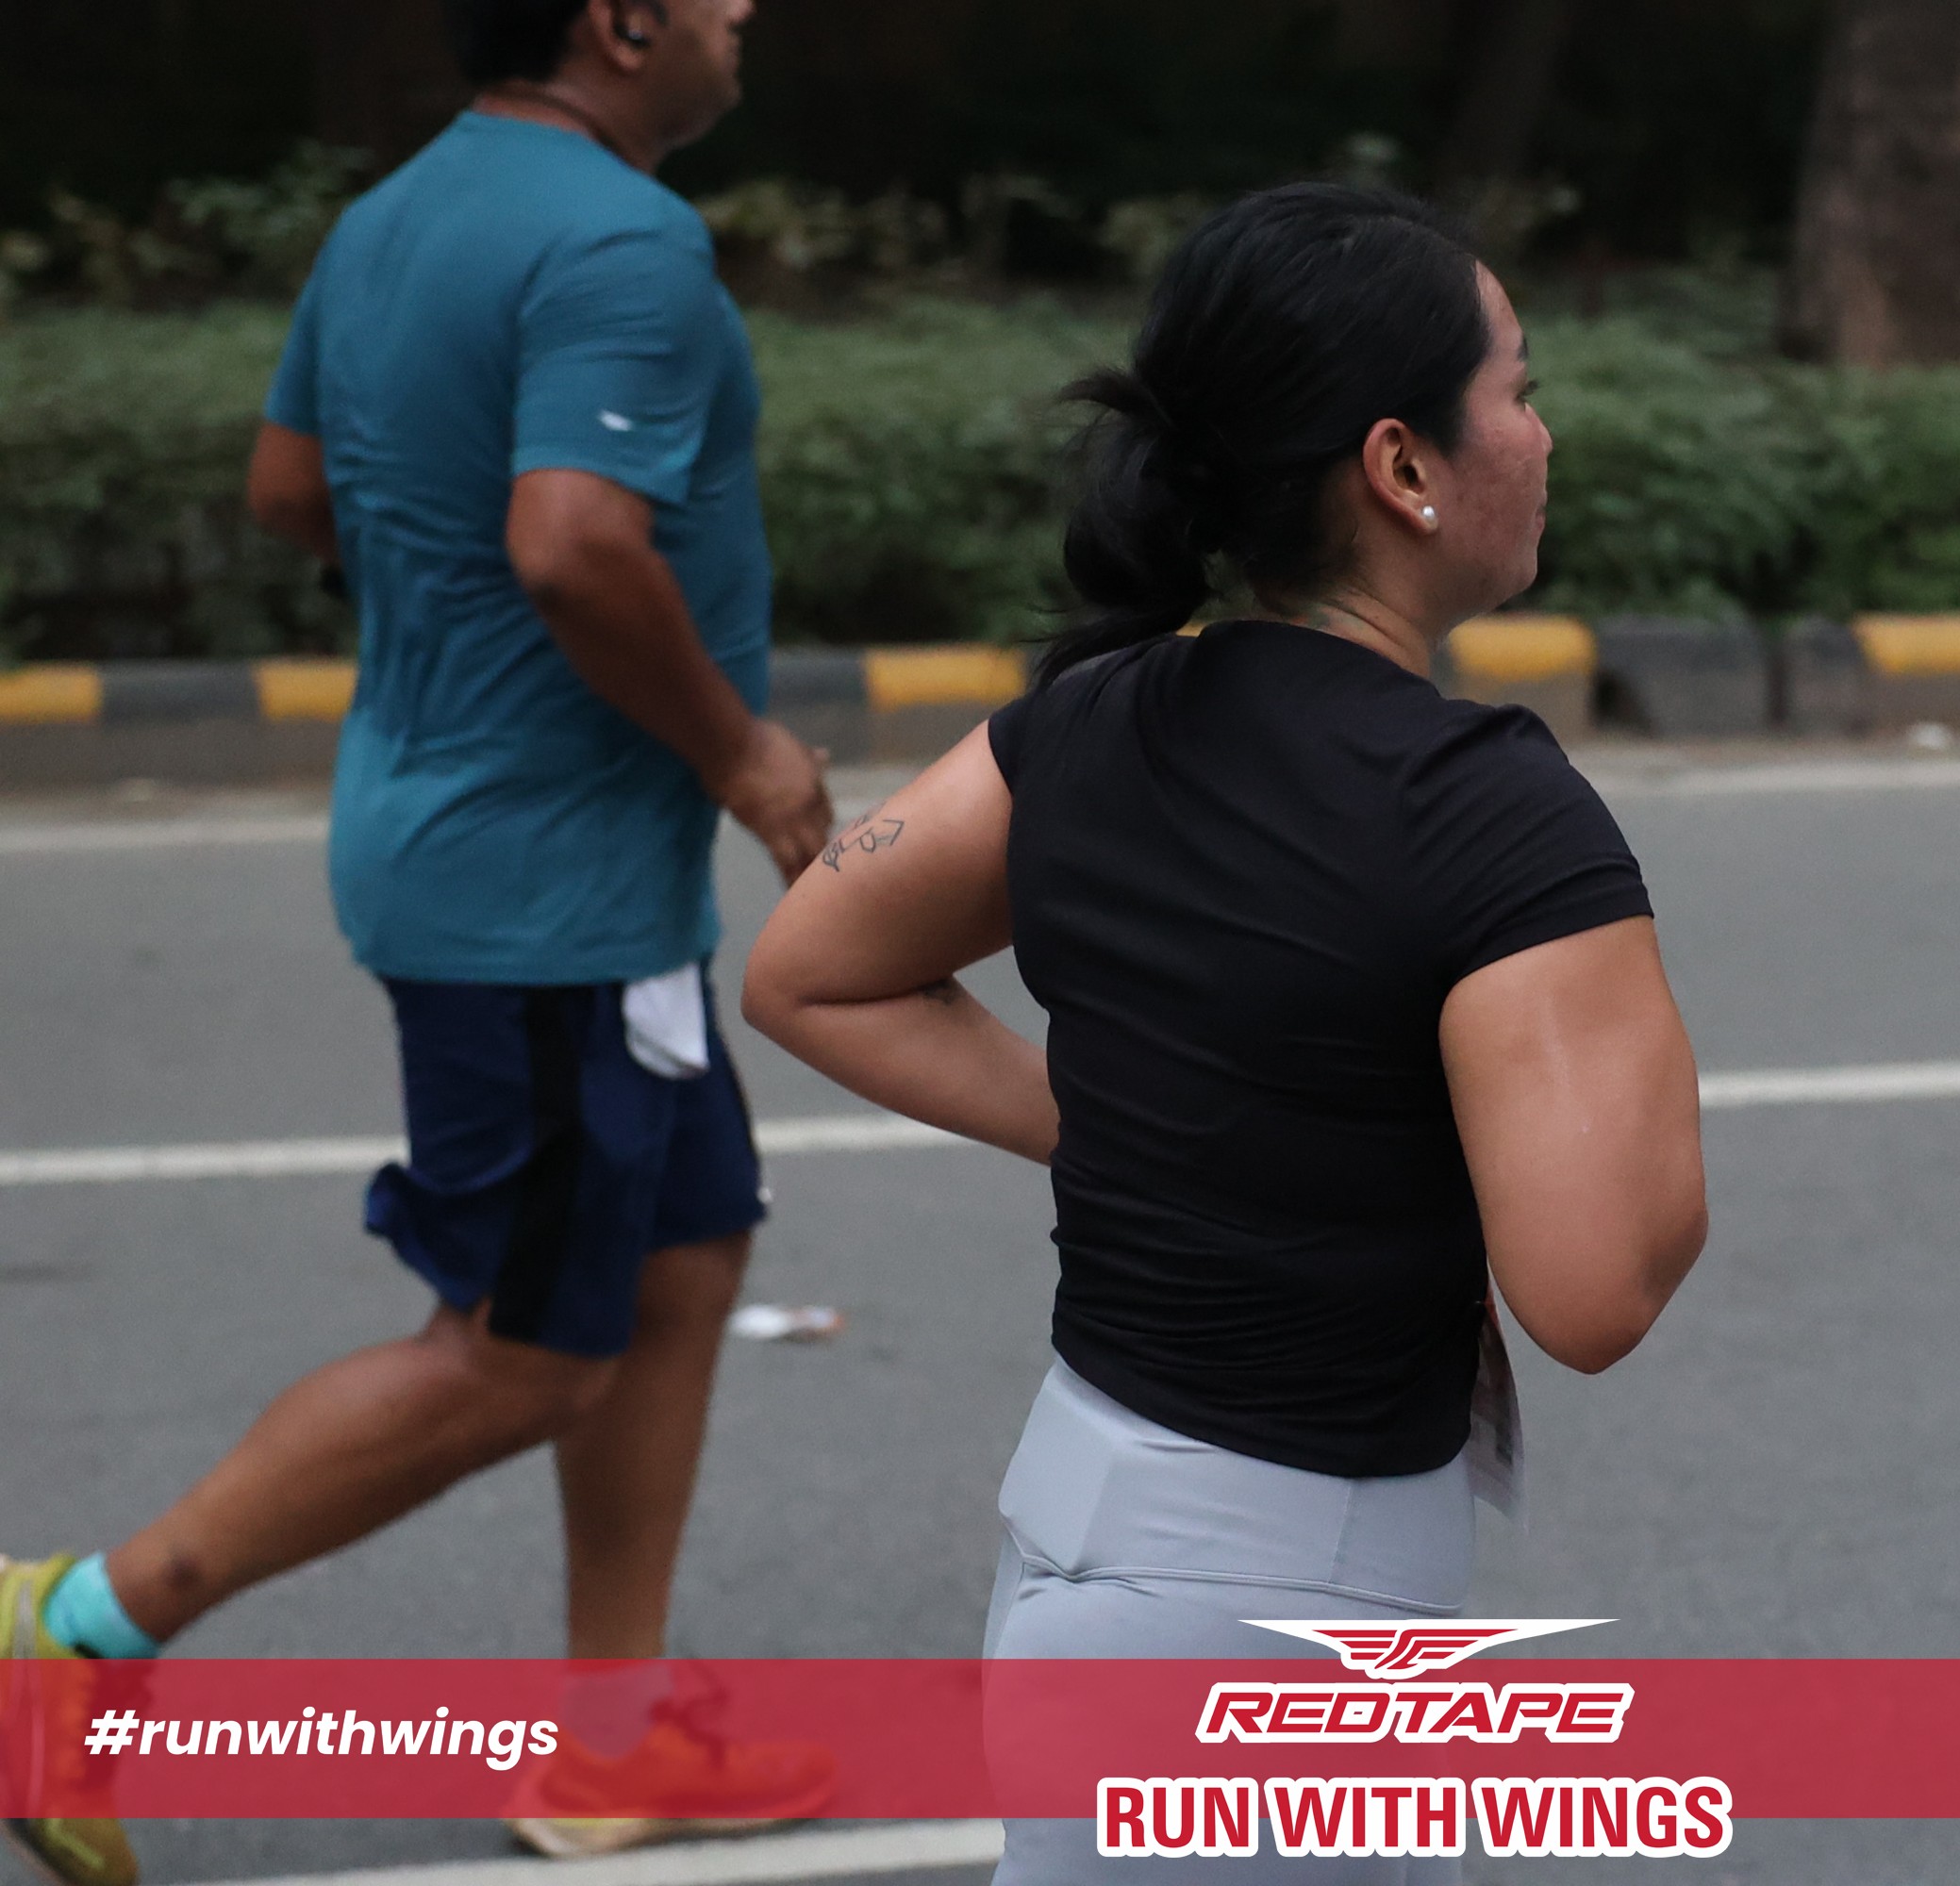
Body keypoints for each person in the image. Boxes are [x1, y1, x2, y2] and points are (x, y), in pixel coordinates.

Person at [743, 184, 1710, 1880]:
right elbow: (1593, 1291)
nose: (1544, 435)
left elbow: (809, 967)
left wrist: (1124, 1121)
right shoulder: (1485, 809)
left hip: (1087, 1527)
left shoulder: (1089, 719)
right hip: (1278, 1606)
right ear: (1403, 467)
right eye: (1520, 389)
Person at [0, 2, 837, 1878]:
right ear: (619, 19)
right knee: (521, 1354)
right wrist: (744, 754)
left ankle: (608, 1736)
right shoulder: (622, 239)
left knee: (688, 1255)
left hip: (518, 860)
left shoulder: (393, 216)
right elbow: (572, 539)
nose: (741, 13)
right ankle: (74, 1628)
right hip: (536, 899)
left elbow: (289, 491)